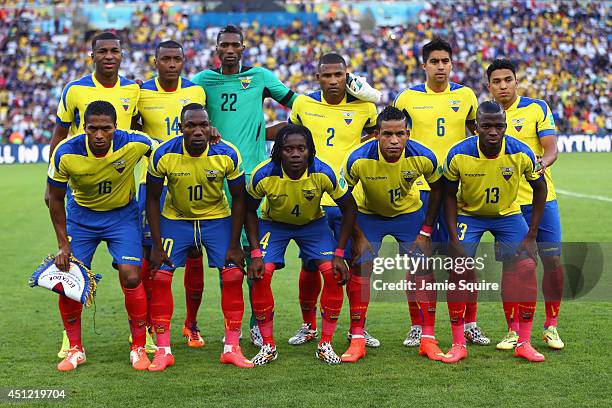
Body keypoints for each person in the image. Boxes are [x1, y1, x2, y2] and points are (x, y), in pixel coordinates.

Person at [191, 24, 299, 346]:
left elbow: (298, 104)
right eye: (223, 45)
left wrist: (269, 132)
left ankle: (255, 322)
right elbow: (184, 109)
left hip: (253, 178)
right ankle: (202, 325)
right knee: (222, 258)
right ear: (216, 49)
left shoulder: (261, 78)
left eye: (234, 45)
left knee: (256, 254)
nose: (229, 50)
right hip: (214, 178)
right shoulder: (202, 81)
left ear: (243, 48)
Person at [48, 31, 141, 358]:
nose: (108, 56)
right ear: (92, 55)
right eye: (101, 51)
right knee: (71, 274)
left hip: (122, 192)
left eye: (114, 51)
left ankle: (140, 340)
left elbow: (142, 130)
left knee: (131, 272)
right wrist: (50, 183)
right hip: (81, 189)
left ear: (122, 54)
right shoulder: (74, 90)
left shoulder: (133, 89)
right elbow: (59, 133)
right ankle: (69, 339)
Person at [47, 101, 156, 371]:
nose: (98, 135)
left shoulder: (134, 142)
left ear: (115, 127)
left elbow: (167, 150)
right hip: (81, 218)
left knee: (132, 275)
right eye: (92, 129)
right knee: (70, 279)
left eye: (105, 129)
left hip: (121, 216)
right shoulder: (65, 152)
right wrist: (63, 244)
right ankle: (75, 349)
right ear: (83, 128)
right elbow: (55, 199)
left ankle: (138, 347)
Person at [393, 37, 486, 348]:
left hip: (457, 190)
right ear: (424, 65)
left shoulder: (467, 95)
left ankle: (469, 323)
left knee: (462, 261)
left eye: (445, 61)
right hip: (418, 189)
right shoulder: (406, 98)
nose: (441, 66)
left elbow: (479, 136)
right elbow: (393, 138)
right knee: (418, 262)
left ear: (452, 63)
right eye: (434, 61)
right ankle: (418, 325)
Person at [146, 103, 252, 371]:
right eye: (190, 125)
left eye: (202, 125)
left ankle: (232, 348)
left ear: (210, 127)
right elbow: (151, 199)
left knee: (233, 275)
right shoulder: (163, 153)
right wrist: (157, 245)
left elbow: (240, 198)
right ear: (181, 128)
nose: (197, 131)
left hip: (216, 219)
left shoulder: (227, 152)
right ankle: (162, 350)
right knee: (159, 276)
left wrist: (235, 244)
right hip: (176, 219)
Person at [442, 100, 547, 363]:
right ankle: (458, 343)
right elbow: (447, 195)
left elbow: (541, 189)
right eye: (486, 126)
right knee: (459, 268)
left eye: (499, 126)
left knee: (526, 268)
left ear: (506, 127)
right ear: (475, 127)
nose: (493, 132)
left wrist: (532, 235)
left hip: (508, 216)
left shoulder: (521, 153)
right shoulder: (458, 154)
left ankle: (524, 342)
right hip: (470, 215)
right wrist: (453, 238)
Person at [286, 52, 379, 348]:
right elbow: (292, 139)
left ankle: (358, 329)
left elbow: (381, 135)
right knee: (312, 266)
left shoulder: (366, 106)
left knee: (359, 262)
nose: (333, 81)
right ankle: (308, 326)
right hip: (314, 197)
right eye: (326, 76)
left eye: (338, 75)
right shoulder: (303, 104)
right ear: (317, 78)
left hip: (353, 198)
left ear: (347, 75)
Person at [245, 124, 358, 365]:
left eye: (301, 149)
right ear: (278, 152)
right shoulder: (263, 174)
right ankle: (268, 346)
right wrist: (255, 252)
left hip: (313, 224)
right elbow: (248, 211)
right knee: (261, 274)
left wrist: (339, 253)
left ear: (310, 151)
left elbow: (349, 207)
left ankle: (325, 344)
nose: (295, 154)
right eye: (288, 149)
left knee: (333, 273)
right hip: (273, 223)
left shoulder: (324, 172)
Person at [339, 106, 443, 362]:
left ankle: (428, 338)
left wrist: (425, 231)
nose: (394, 140)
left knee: (422, 268)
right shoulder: (357, 159)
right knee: (362, 267)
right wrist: (359, 236)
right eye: (387, 134)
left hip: (408, 214)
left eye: (400, 134)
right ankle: (357, 337)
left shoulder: (424, 156)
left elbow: (439, 190)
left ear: (408, 133)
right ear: (376, 134)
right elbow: (344, 200)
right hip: (368, 214)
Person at [486, 58, 565, 351]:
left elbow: (551, 148)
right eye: (497, 81)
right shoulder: (486, 116)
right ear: (489, 86)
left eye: (508, 80)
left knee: (553, 260)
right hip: (506, 206)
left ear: (516, 81)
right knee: (512, 267)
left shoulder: (537, 108)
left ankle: (551, 327)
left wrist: (539, 166)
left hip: (541, 199)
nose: (503, 86)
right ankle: (512, 330)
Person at [135, 40, 208, 349]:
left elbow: (207, 128)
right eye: (165, 59)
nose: (171, 64)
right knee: (150, 254)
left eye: (176, 59)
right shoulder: (140, 93)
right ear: (156, 62)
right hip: (151, 183)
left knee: (194, 252)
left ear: (183, 61)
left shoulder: (196, 93)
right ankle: (149, 324)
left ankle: (191, 325)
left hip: (191, 179)